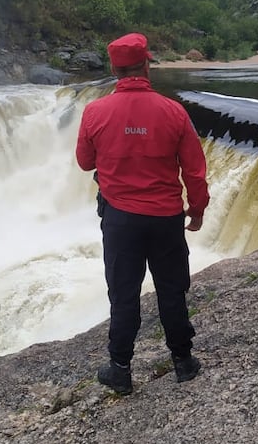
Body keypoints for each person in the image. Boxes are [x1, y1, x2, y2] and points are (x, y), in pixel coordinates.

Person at [75, 32, 210, 395]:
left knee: (123, 294)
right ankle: (183, 362)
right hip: (166, 218)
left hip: (119, 219)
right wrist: (196, 211)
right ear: (147, 64)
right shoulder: (173, 111)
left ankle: (120, 368)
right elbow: (194, 171)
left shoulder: (95, 112)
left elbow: (85, 161)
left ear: (114, 69)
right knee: (171, 290)